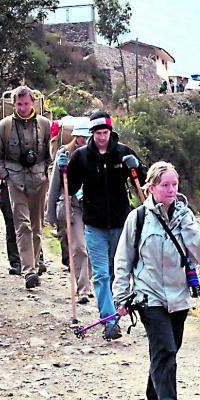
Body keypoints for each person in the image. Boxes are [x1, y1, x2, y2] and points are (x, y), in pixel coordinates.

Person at [112, 161, 200, 400]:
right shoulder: (138, 218)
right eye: (165, 185)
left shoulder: (185, 216)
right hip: (149, 296)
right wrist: (121, 297)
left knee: (171, 347)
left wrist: (188, 226)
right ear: (151, 187)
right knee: (165, 348)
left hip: (179, 297)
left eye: (174, 185)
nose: (171, 190)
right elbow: (123, 260)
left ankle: (154, 387)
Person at [66, 111, 144, 340]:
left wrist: (136, 167)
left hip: (121, 223)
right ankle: (110, 321)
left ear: (111, 132)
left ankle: (118, 313)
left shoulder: (123, 152)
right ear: (92, 133)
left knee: (118, 272)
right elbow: (69, 187)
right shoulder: (81, 156)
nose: (102, 137)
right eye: (98, 133)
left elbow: (141, 180)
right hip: (94, 225)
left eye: (105, 132)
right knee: (100, 274)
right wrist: (64, 170)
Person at [0, 85, 51, 289]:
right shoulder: (4, 127)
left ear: (32, 103)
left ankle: (34, 262)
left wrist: (48, 175)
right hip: (15, 183)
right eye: (19, 104)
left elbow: (52, 156)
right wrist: (6, 176)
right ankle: (29, 271)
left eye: (26, 104)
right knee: (22, 226)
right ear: (13, 104)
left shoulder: (44, 125)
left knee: (37, 226)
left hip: (39, 181)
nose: (23, 108)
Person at [46, 118, 92, 303]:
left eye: (87, 136)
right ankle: (83, 290)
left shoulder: (98, 154)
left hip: (93, 207)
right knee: (79, 247)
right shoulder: (64, 154)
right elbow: (55, 184)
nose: (84, 140)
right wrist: (50, 213)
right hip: (73, 207)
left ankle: (86, 283)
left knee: (91, 248)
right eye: (81, 136)